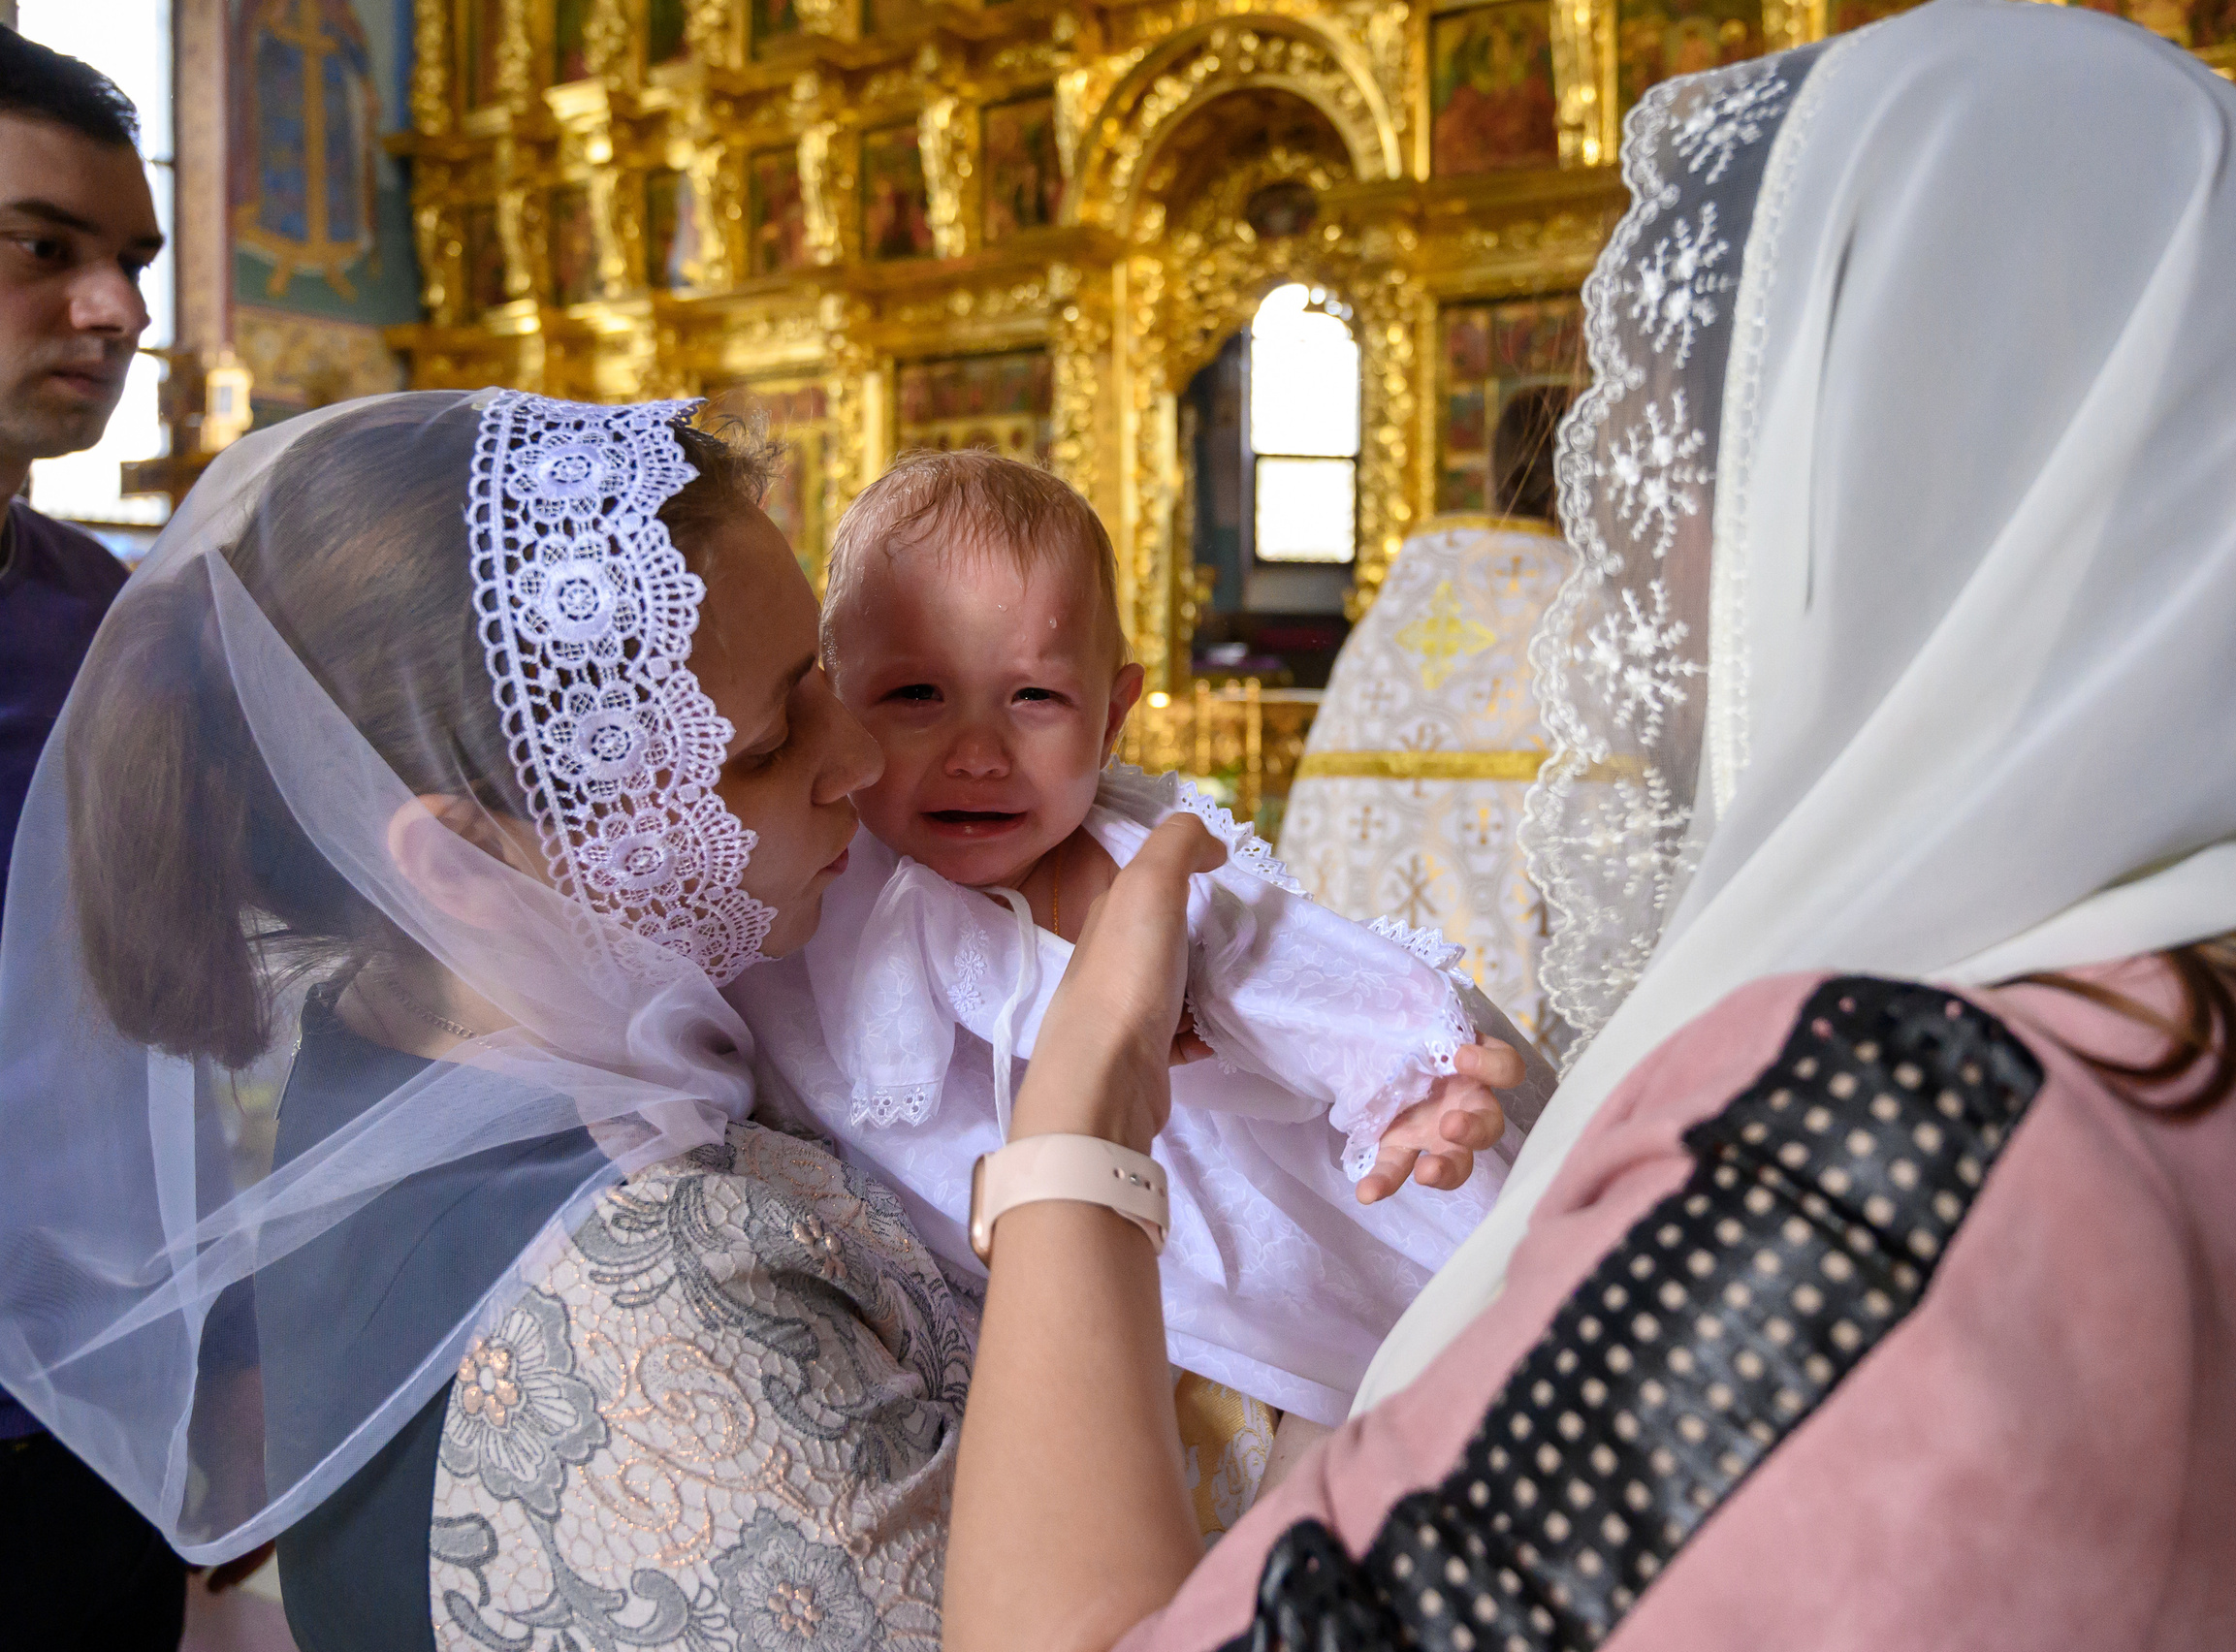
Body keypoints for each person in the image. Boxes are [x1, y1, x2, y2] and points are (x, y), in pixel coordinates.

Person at [940, 6, 2236, 1648]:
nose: (1617, 583)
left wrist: (1085, 1093)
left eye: (1672, 474)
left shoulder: (1882, 1146)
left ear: (1889, 503)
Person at [0, 388, 1304, 1652]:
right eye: (758, 745)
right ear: (462, 866)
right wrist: (1084, 1116)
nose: (856, 761)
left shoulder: (394, 1040)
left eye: (828, 680)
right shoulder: (674, 1279)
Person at [733, 448, 1541, 1454]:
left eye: (1033, 699)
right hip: (944, 1255)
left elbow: (1286, 969)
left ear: (1111, 717)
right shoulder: (811, 868)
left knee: (1395, 1395)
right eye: (914, 698)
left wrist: (1405, 1080)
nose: (977, 752)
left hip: (1187, 1238)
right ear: (832, 697)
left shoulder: (1125, 864)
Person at [0, 24, 191, 1651]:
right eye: (41, 246)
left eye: (129, 258)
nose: (120, 307)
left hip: (77, 1426)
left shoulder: (113, 622)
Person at [1279, 385, 1580, 1051]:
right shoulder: (1580, 607)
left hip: (1377, 1026)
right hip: (1528, 1008)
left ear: (1495, 476)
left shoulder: (1402, 608)